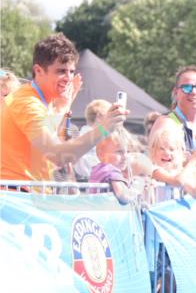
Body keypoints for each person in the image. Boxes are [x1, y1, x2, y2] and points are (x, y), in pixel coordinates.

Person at [1, 34, 127, 182]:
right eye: (61, 71)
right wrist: (104, 128)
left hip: (28, 191)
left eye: (71, 71)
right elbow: (57, 155)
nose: (68, 78)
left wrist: (62, 107)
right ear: (38, 71)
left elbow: (53, 147)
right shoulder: (27, 103)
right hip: (16, 193)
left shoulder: (40, 100)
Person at [73, 99, 112, 181]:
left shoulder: (82, 135)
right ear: (99, 116)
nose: (112, 120)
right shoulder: (97, 137)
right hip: (94, 181)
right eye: (110, 116)